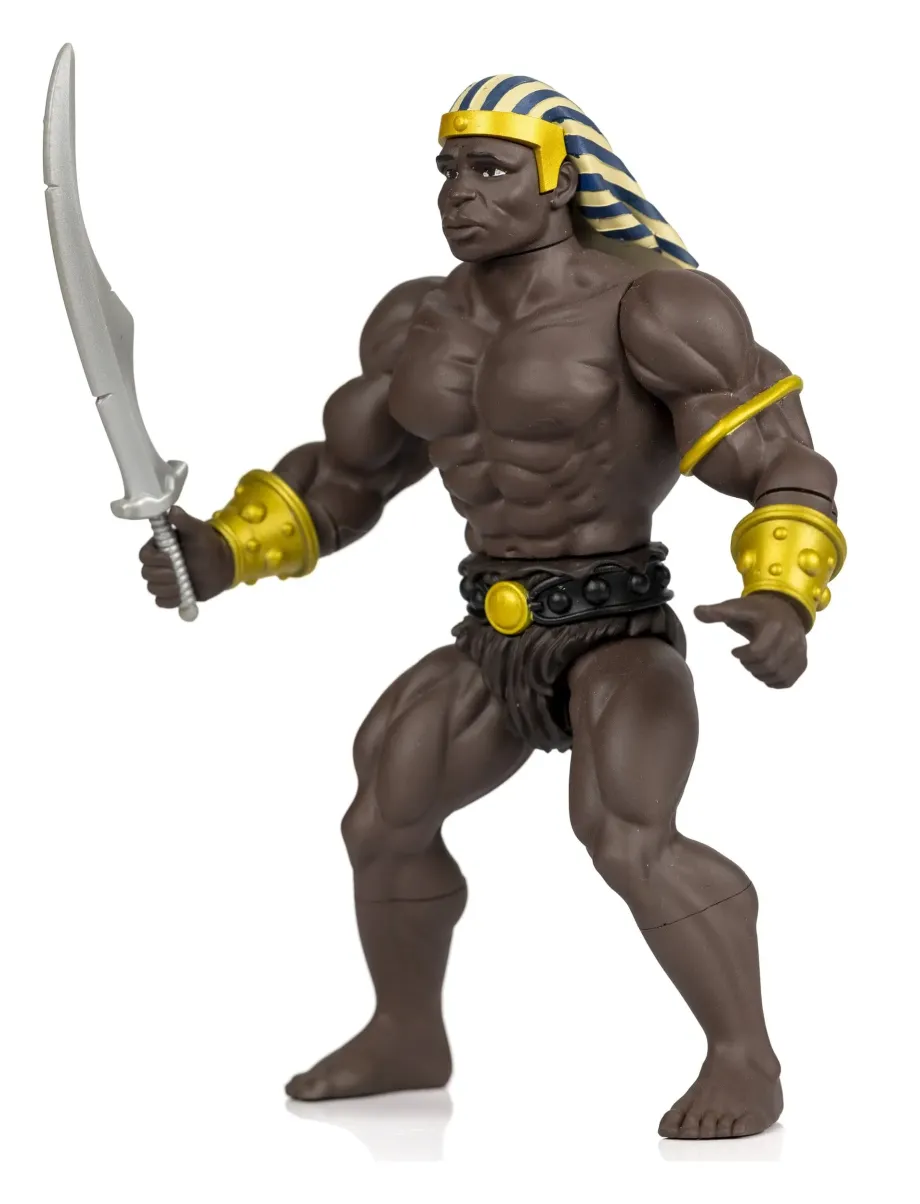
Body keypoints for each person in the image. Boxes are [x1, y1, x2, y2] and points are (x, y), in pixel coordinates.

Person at [140, 74, 846, 1140]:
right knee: (383, 819)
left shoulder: (653, 305)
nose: (459, 192)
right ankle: (405, 1034)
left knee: (626, 835)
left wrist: (782, 594)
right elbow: (352, 475)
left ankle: (744, 1057)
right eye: (448, 170)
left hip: (617, 629)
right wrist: (223, 549)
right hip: (493, 630)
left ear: (560, 181)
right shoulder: (419, 319)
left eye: (490, 168)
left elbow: (777, 457)